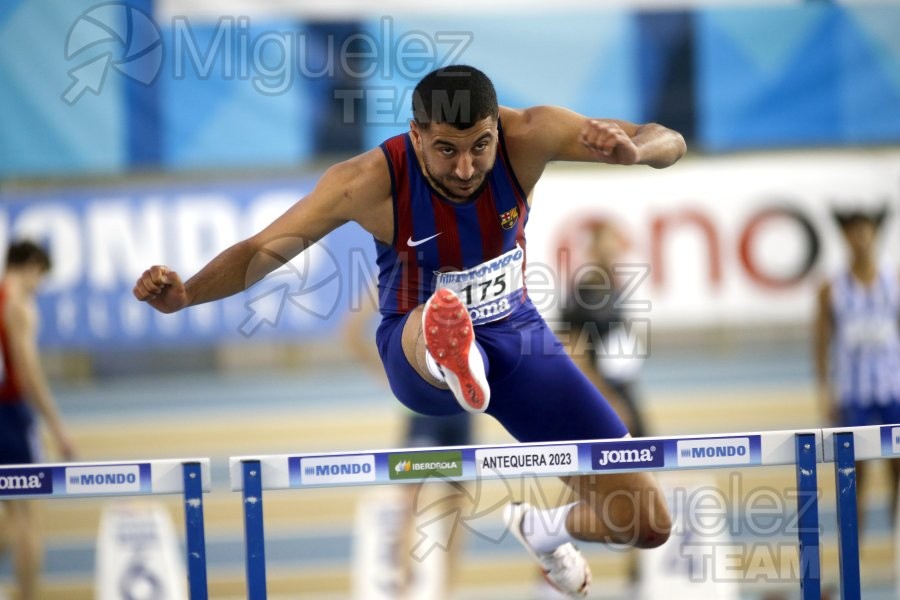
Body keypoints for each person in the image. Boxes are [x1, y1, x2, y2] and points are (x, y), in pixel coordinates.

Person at [134, 65, 685, 596]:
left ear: (499, 129)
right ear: (416, 136)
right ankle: (453, 349)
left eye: (480, 146)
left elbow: (667, 139)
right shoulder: (364, 181)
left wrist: (637, 152)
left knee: (646, 522)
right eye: (446, 149)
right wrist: (187, 296)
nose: (466, 168)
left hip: (517, 338)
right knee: (437, 316)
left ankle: (546, 529)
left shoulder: (532, 133)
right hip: (414, 347)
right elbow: (261, 250)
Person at [342, 295, 473, 599]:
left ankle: (446, 591)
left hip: (460, 408)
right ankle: (400, 588)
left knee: (457, 503)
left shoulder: (462, 271)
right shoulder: (400, 277)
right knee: (410, 502)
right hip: (422, 413)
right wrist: (389, 373)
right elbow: (350, 333)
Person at [815, 207, 900, 536]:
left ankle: (896, 547)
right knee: (854, 473)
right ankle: (855, 547)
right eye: (854, 232)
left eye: (866, 231)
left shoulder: (893, 281)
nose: (861, 239)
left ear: (875, 235)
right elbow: (821, 342)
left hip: (893, 386)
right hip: (854, 392)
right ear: (846, 238)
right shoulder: (831, 288)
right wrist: (825, 390)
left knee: (897, 468)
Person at [0, 240, 76, 600]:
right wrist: (57, 428)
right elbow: (28, 374)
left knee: (8, 518)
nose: (39, 286)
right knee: (28, 519)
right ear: (31, 265)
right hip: (10, 414)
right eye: (41, 277)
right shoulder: (18, 305)